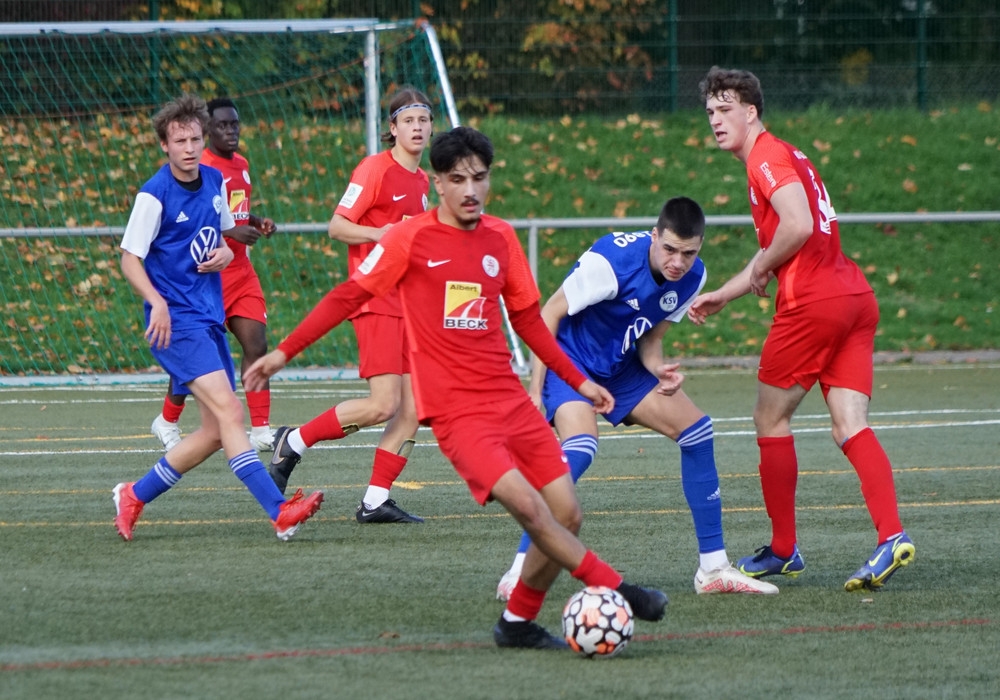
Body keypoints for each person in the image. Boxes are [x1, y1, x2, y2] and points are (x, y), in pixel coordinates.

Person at [244, 126, 668, 649]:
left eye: (479, 178)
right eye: (458, 179)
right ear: (437, 183)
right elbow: (348, 296)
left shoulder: (501, 237)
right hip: (458, 416)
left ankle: (516, 623)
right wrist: (283, 352)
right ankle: (622, 590)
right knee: (532, 511)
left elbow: (529, 321)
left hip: (509, 401)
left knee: (567, 513)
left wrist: (579, 379)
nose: (471, 190)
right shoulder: (409, 238)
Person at [689, 67, 915, 591]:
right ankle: (891, 536)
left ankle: (784, 549)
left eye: (725, 110)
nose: (716, 120)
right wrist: (726, 292)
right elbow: (788, 239)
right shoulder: (788, 153)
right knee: (850, 424)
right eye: (710, 112)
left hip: (812, 305)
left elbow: (797, 226)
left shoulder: (765, 157)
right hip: (852, 297)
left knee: (769, 418)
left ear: (751, 112)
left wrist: (765, 266)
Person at [495, 197, 778, 601]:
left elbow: (650, 338)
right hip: (569, 360)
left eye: (688, 253)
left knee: (698, 432)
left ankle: (714, 569)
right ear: (654, 236)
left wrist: (659, 370)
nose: (678, 262)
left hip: (620, 366)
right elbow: (548, 315)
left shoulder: (693, 276)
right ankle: (519, 569)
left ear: (699, 247)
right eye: (670, 249)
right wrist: (536, 392)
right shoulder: (610, 262)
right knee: (581, 448)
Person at [115, 94, 324, 542]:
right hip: (175, 324)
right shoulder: (153, 195)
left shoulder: (213, 180)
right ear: (165, 146)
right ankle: (279, 511)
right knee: (231, 411)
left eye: (195, 139)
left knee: (213, 432)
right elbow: (130, 258)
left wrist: (228, 252)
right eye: (180, 141)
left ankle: (134, 494)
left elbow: (227, 235)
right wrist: (156, 301)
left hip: (208, 317)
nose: (189, 148)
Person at [267, 87, 431, 524]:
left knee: (413, 409)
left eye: (423, 120)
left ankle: (375, 501)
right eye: (408, 121)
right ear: (392, 128)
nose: (417, 128)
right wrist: (381, 235)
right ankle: (293, 441)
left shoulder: (422, 181)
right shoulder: (375, 168)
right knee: (383, 405)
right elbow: (337, 226)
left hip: (407, 305)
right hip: (375, 299)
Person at [150, 96, 278, 453]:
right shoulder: (200, 166)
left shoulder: (241, 165)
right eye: (222, 125)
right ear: (208, 131)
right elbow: (198, 221)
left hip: (241, 272)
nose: (230, 131)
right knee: (199, 359)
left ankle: (262, 429)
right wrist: (234, 232)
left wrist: (255, 221)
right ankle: (167, 419)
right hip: (207, 279)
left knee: (257, 344)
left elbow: (232, 210)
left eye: (234, 124)